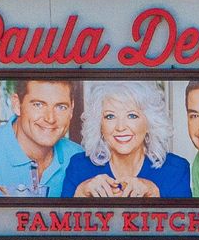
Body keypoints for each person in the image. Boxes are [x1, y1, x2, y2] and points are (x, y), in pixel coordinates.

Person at [62, 82, 191, 199]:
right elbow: (59, 223)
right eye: (110, 116)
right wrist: (79, 194)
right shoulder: (79, 166)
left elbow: (186, 224)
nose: (120, 127)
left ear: (149, 124)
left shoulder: (175, 169)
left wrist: (156, 196)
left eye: (132, 116)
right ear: (99, 125)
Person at [0, 78, 84, 199]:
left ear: (71, 110)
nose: (50, 119)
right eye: (38, 105)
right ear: (17, 105)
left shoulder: (81, 157)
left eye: (61, 107)